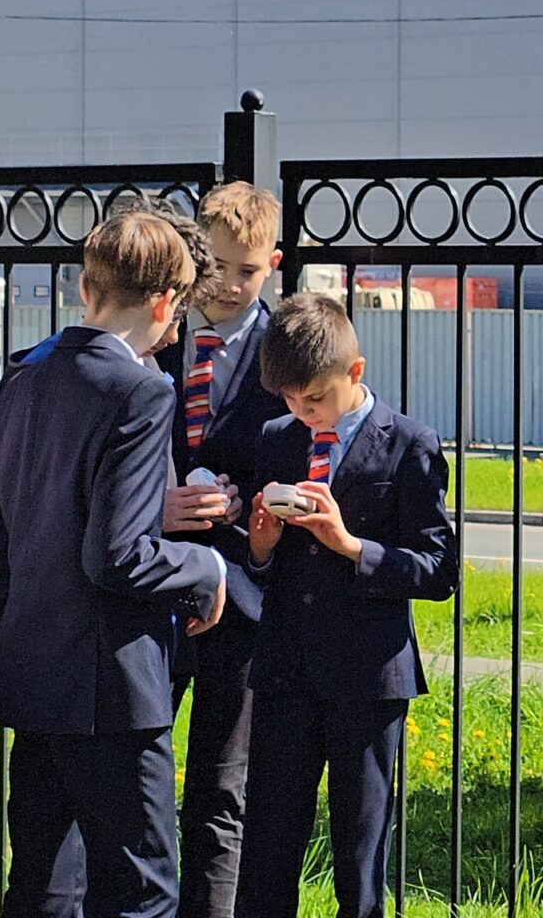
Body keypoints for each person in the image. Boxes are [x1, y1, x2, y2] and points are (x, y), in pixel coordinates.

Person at [0, 210, 227, 918]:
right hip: (113, 687)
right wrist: (206, 570)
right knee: (142, 893)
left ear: (87, 287)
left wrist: (26, 632)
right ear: (165, 301)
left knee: (42, 889)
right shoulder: (141, 390)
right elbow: (119, 556)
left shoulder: (21, 376)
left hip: (35, 673)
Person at [235, 293, 459, 918]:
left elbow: (440, 569)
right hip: (285, 670)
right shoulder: (278, 438)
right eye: (290, 400)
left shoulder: (408, 443)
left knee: (358, 848)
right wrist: (260, 547)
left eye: (314, 399)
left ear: (355, 372)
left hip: (367, 676)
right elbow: (262, 568)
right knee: (269, 840)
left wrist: (353, 546)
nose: (302, 412)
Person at [154, 180, 287, 918]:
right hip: (150, 584)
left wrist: (258, 507)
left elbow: (312, 447)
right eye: (218, 267)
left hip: (245, 595)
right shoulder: (154, 335)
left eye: (249, 270)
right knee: (133, 771)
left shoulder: (285, 347)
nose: (231, 285)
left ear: (274, 263)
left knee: (220, 785)